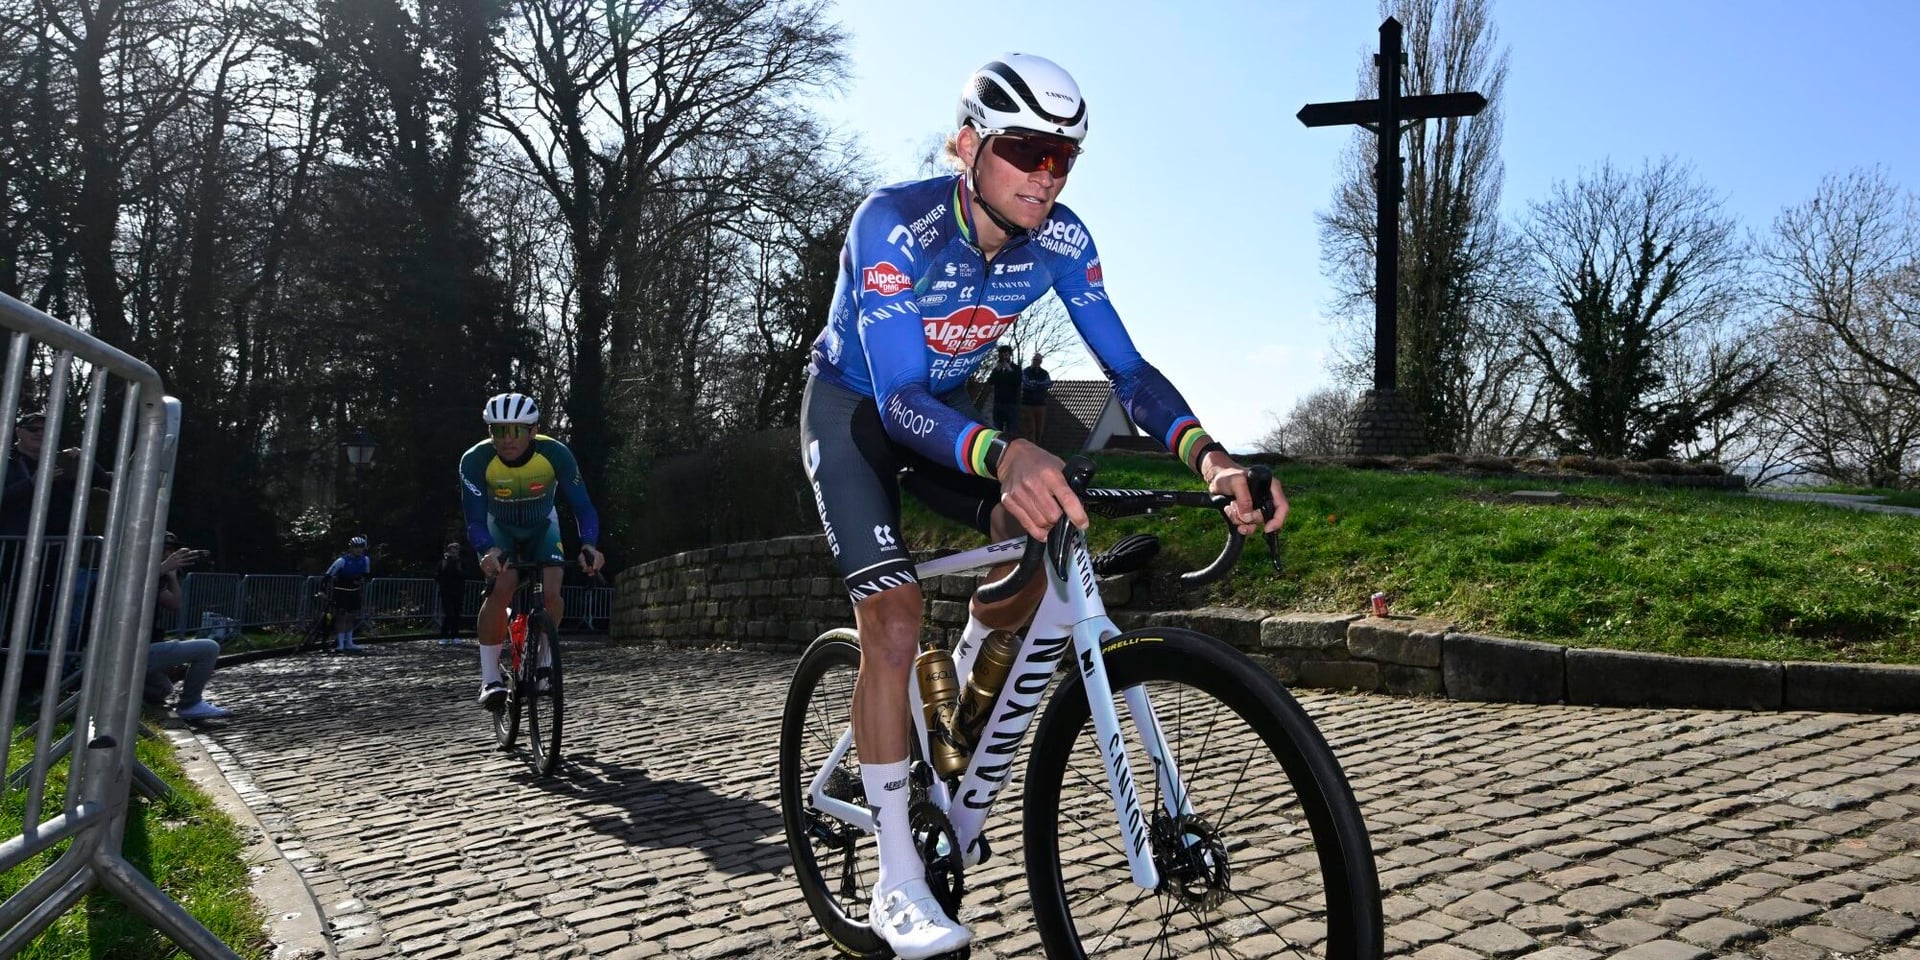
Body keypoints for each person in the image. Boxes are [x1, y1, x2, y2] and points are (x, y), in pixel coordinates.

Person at [797, 54, 1288, 958]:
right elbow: (899, 399)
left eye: (1065, 157)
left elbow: (1129, 373)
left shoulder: (1063, 242)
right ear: (969, 145)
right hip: (859, 414)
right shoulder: (892, 227)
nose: (1048, 175)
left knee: (1047, 529)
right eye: (1026, 149)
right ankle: (898, 874)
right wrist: (1005, 449)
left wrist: (1211, 457)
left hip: (943, 418)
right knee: (895, 617)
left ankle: (965, 697)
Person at [459, 392, 605, 710]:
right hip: (499, 530)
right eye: (498, 430)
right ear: (489, 432)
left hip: (542, 527)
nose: (507, 439)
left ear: (533, 429)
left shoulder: (556, 454)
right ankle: (489, 679)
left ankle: (542, 660)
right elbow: (473, 519)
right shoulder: (475, 460)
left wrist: (589, 545)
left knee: (552, 591)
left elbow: (583, 506)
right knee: (502, 588)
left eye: (516, 430)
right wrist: (487, 550)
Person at [146, 532, 230, 720]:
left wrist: (172, 576)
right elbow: (134, 588)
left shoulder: (156, 577)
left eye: (170, 551)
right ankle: (190, 704)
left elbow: (175, 604)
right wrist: (162, 568)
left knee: (162, 689)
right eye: (163, 550)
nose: (167, 554)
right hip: (126, 650)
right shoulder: (136, 571)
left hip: (142, 647)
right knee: (208, 648)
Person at [323, 536, 371, 653]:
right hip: (341, 592)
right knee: (341, 617)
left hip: (354, 592)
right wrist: (322, 591)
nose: (358, 550)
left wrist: (361, 579)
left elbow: (367, 574)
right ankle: (340, 643)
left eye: (361, 548)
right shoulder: (342, 561)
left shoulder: (365, 560)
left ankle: (349, 642)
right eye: (356, 547)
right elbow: (327, 576)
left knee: (351, 617)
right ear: (351, 548)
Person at [434, 542, 467, 643]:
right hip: (446, 591)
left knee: (457, 613)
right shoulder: (443, 562)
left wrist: (460, 570)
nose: (453, 553)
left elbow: (466, 575)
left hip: (458, 591)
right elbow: (436, 575)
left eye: (455, 551)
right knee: (449, 613)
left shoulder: (461, 562)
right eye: (452, 551)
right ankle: (444, 636)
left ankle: (455, 636)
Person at [1019, 351, 1052, 445]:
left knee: (1039, 429)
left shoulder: (1044, 373)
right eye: (1034, 359)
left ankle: (1037, 446)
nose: (1036, 361)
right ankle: (1031, 447)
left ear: (1041, 361)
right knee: (1030, 429)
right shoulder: (1026, 371)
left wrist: (1034, 384)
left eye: (1038, 360)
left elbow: (1048, 384)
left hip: (1041, 404)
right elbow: (1026, 384)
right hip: (1028, 404)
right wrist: (1039, 385)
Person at [986, 345, 1021, 433]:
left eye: (1006, 354)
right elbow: (990, 382)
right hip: (998, 403)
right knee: (997, 429)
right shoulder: (997, 369)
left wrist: (1009, 369)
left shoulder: (1016, 368)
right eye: (1002, 355)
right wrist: (997, 370)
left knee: (1011, 429)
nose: (1004, 357)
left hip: (1011, 404)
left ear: (1010, 355)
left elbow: (1017, 382)